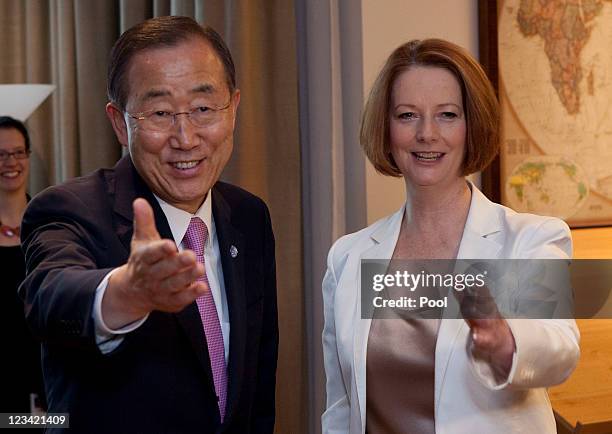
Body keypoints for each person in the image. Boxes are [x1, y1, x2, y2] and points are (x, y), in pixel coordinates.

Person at [19, 16, 278, 434]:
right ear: (120, 123)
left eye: (203, 108)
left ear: (233, 109)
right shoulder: (69, 208)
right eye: (159, 112)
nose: (186, 136)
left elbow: (258, 386)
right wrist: (126, 292)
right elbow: (50, 296)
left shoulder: (249, 216)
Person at [321, 39, 579, 434]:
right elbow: (341, 407)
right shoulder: (347, 258)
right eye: (407, 115)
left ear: (471, 125)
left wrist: (505, 341)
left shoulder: (529, 238)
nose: (427, 133)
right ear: (386, 128)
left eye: (447, 115)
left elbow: (560, 349)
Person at [0, 116, 45, 418]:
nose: (10, 162)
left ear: (28, 157)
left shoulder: (50, 225)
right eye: (1, 155)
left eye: (17, 152)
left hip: (43, 380)